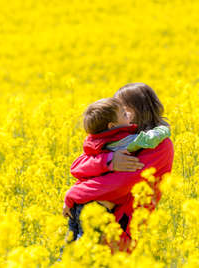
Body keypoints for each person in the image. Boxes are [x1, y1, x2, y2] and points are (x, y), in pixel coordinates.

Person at [63, 83, 174, 251]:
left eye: (123, 109)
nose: (117, 113)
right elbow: (78, 166)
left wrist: (74, 194)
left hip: (121, 227)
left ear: (139, 110)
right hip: (96, 216)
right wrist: (109, 160)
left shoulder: (159, 146)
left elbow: (121, 184)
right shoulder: (119, 138)